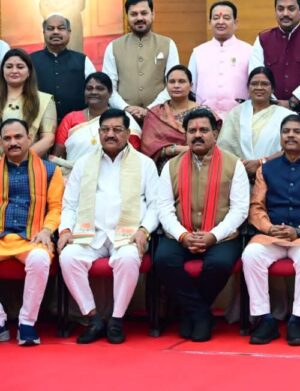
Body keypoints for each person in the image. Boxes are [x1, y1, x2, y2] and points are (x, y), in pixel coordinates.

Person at [58, 109, 159, 344]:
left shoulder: (144, 164)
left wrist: (144, 230)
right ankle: (93, 318)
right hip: (89, 234)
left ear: (128, 133)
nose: (110, 134)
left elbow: (156, 206)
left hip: (127, 235)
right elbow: (70, 204)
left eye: (117, 129)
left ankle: (116, 320)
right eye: (105, 129)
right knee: (68, 257)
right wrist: (66, 230)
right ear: (99, 132)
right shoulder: (84, 163)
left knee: (128, 258)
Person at [242, 115, 300, 346]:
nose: (291, 136)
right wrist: (269, 228)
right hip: (271, 236)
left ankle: (297, 319)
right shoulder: (266, 170)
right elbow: (256, 207)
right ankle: (265, 319)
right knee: (251, 255)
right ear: (280, 137)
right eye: (286, 132)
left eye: (297, 131)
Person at [155, 108, 249, 342]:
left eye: (204, 130)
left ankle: (190, 315)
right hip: (181, 233)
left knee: (219, 264)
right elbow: (164, 208)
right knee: (163, 260)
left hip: (221, 235)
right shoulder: (171, 166)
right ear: (185, 135)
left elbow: (239, 209)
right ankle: (200, 314)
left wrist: (213, 236)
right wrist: (182, 235)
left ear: (215, 134)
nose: (198, 135)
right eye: (192, 131)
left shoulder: (234, 164)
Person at [0, 119, 63, 345]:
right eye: (7, 138)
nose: (13, 142)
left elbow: (56, 207)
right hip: (1, 236)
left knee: (39, 259)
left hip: (33, 236)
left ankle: (27, 322)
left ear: (29, 138)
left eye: (18, 137)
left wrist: (47, 230)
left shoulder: (50, 170)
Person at [102, 0, 180, 120]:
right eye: (134, 14)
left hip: (160, 116)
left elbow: (173, 84)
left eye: (144, 13)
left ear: (153, 15)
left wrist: (150, 109)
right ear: (127, 16)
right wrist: (126, 108)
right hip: (123, 117)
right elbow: (109, 87)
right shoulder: (113, 47)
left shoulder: (168, 44)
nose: (139, 18)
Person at [51, 72, 141, 175]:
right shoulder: (70, 118)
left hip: (113, 176)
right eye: (89, 88)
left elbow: (133, 153)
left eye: (100, 88)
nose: (93, 92)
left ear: (110, 93)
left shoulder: (122, 118)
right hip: (74, 176)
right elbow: (57, 156)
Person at [217, 67, 295, 180]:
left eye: (264, 84)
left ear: (273, 89)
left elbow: (292, 150)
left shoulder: (286, 116)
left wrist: (260, 163)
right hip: (239, 177)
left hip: (276, 177)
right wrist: (242, 166)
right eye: (254, 84)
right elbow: (224, 149)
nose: (259, 87)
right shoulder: (236, 114)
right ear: (248, 88)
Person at [186, 1, 253, 118]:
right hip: (204, 119)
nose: (220, 22)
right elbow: (191, 88)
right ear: (209, 23)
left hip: (239, 117)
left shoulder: (249, 51)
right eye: (216, 18)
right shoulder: (198, 52)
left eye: (226, 18)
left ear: (235, 23)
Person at [141, 65, 213, 170]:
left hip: (199, 168)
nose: (176, 85)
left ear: (191, 85)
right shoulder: (155, 113)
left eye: (181, 81)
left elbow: (214, 144)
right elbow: (148, 147)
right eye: (172, 82)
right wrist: (176, 149)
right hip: (164, 170)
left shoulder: (204, 112)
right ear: (166, 86)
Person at [30, 14, 98, 123]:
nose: (55, 32)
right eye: (50, 28)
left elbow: (96, 91)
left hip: (77, 124)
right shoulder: (30, 60)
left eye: (61, 28)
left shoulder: (82, 60)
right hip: (39, 124)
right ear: (44, 32)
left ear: (69, 32)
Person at [0, 49, 57, 156]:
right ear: (2, 71)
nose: (14, 71)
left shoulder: (44, 100)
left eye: (20, 67)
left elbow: (48, 139)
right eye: (9, 67)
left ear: (29, 72)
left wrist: (19, 159)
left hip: (29, 161)